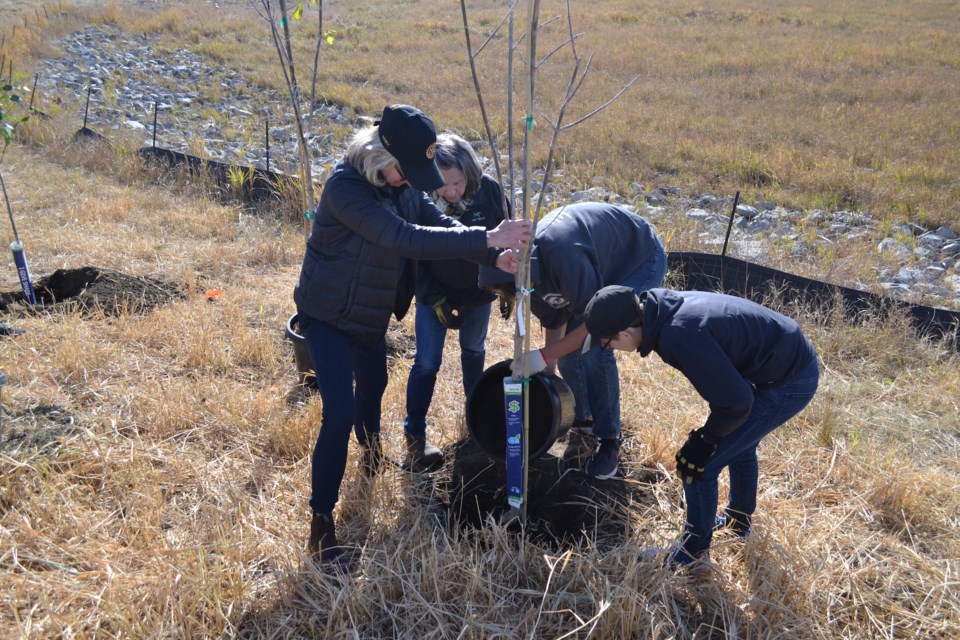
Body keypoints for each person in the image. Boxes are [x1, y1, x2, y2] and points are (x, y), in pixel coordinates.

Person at [294, 104, 531, 563]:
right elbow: (406, 238)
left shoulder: (402, 186)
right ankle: (321, 521)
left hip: (368, 315)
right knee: (339, 412)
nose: (414, 180)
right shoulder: (346, 189)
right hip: (326, 315)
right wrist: (488, 238)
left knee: (376, 388)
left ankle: (371, 456)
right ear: (381, 156)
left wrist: (491, 258)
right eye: (409, 169)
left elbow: (440, 224)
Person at [581, 285, 819, 567]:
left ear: (624, 334)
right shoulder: (659, 309)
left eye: (608, 344)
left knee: (697, 466)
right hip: (781, 360)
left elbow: (737, 403)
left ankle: (692, 553)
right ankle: (738, 524)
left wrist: (705, 440)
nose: (612, 350)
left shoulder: (678, 335)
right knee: (739, 448)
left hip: (789, 381)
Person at [480, 202, 667, 479]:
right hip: (595, 269)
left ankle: (609, 439)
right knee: (568, 347)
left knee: (596, 349)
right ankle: (584, 417)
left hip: (637, 260)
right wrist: (547, 369)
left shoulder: (564, 257)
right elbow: (556, 319)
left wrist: (542, 355)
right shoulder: (529, 273)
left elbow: (595, 325)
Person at [402, 133, 511, 471]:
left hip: (478, 293)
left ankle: (473, 416)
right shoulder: (420, 198)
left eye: (458, 182)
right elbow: (411, 252)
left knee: (474, 352)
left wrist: (505, 286)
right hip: (434, 293)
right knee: (427, 362)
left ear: (470, 173)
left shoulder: (489, 191)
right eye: (444, 185)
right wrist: (432, 298)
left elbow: (506, 239)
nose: (452, 191)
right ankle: (415, 434)